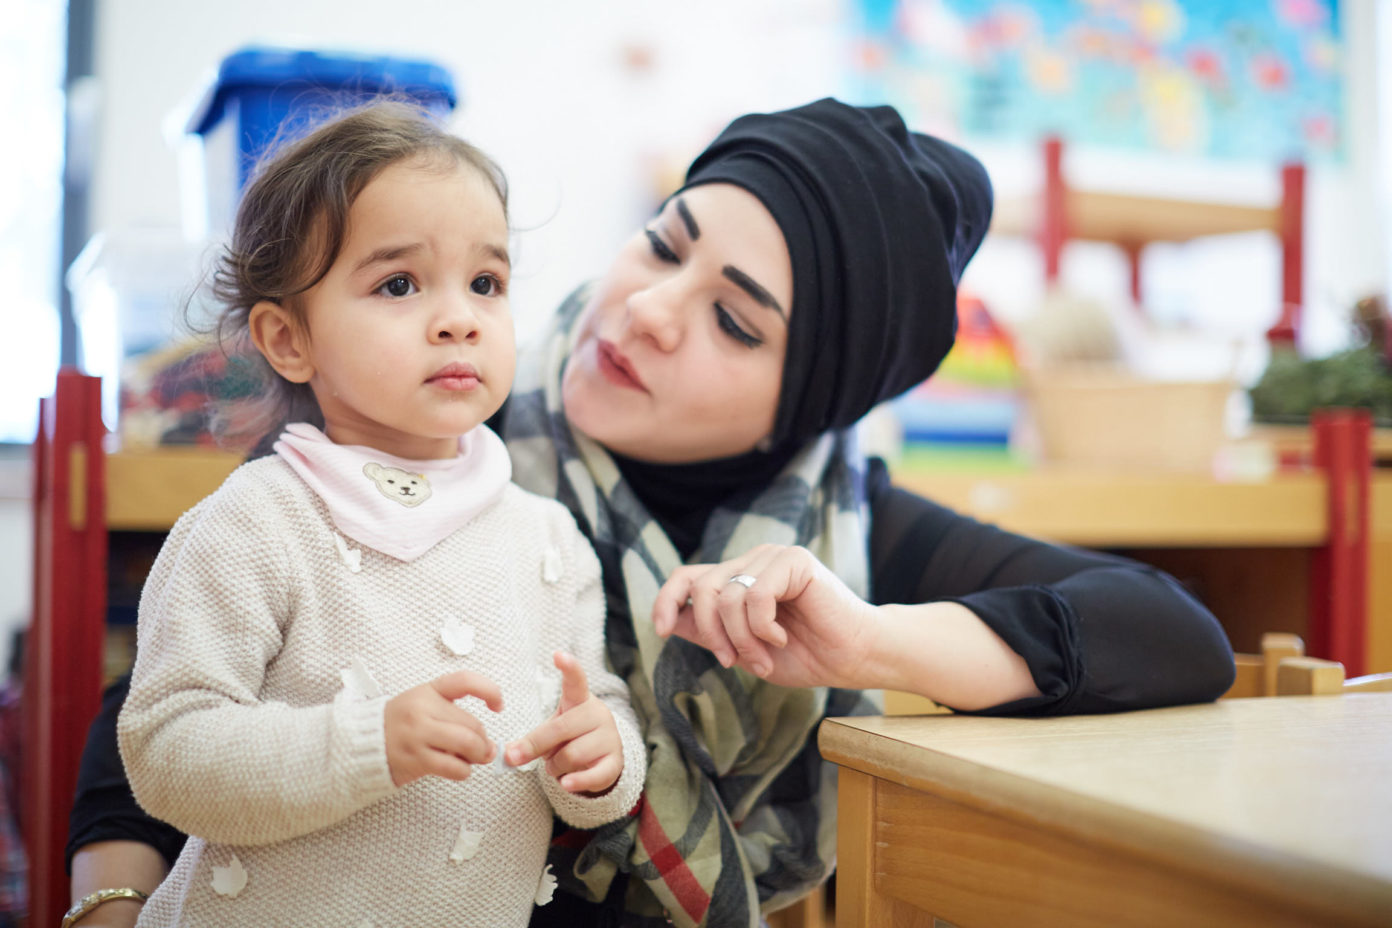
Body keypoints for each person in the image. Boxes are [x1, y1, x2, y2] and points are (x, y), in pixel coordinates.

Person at [68, 98, 1235, 928]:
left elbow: (1171, 631)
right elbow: (171, 713)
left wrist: (867, 639)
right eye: (664, 245)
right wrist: (111, 903)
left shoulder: (842, 533)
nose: (650, 313)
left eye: (735, 321)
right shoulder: (403, 430)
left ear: (804, 404)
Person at [104, 102, 645, 928]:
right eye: (399, 283)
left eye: (486, 283)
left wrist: (603, 759)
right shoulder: (259, 522)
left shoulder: (548, 537)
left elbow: (596, 704)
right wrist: (364, 745)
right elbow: (166, 752)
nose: (460, 316)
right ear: (289, 341)